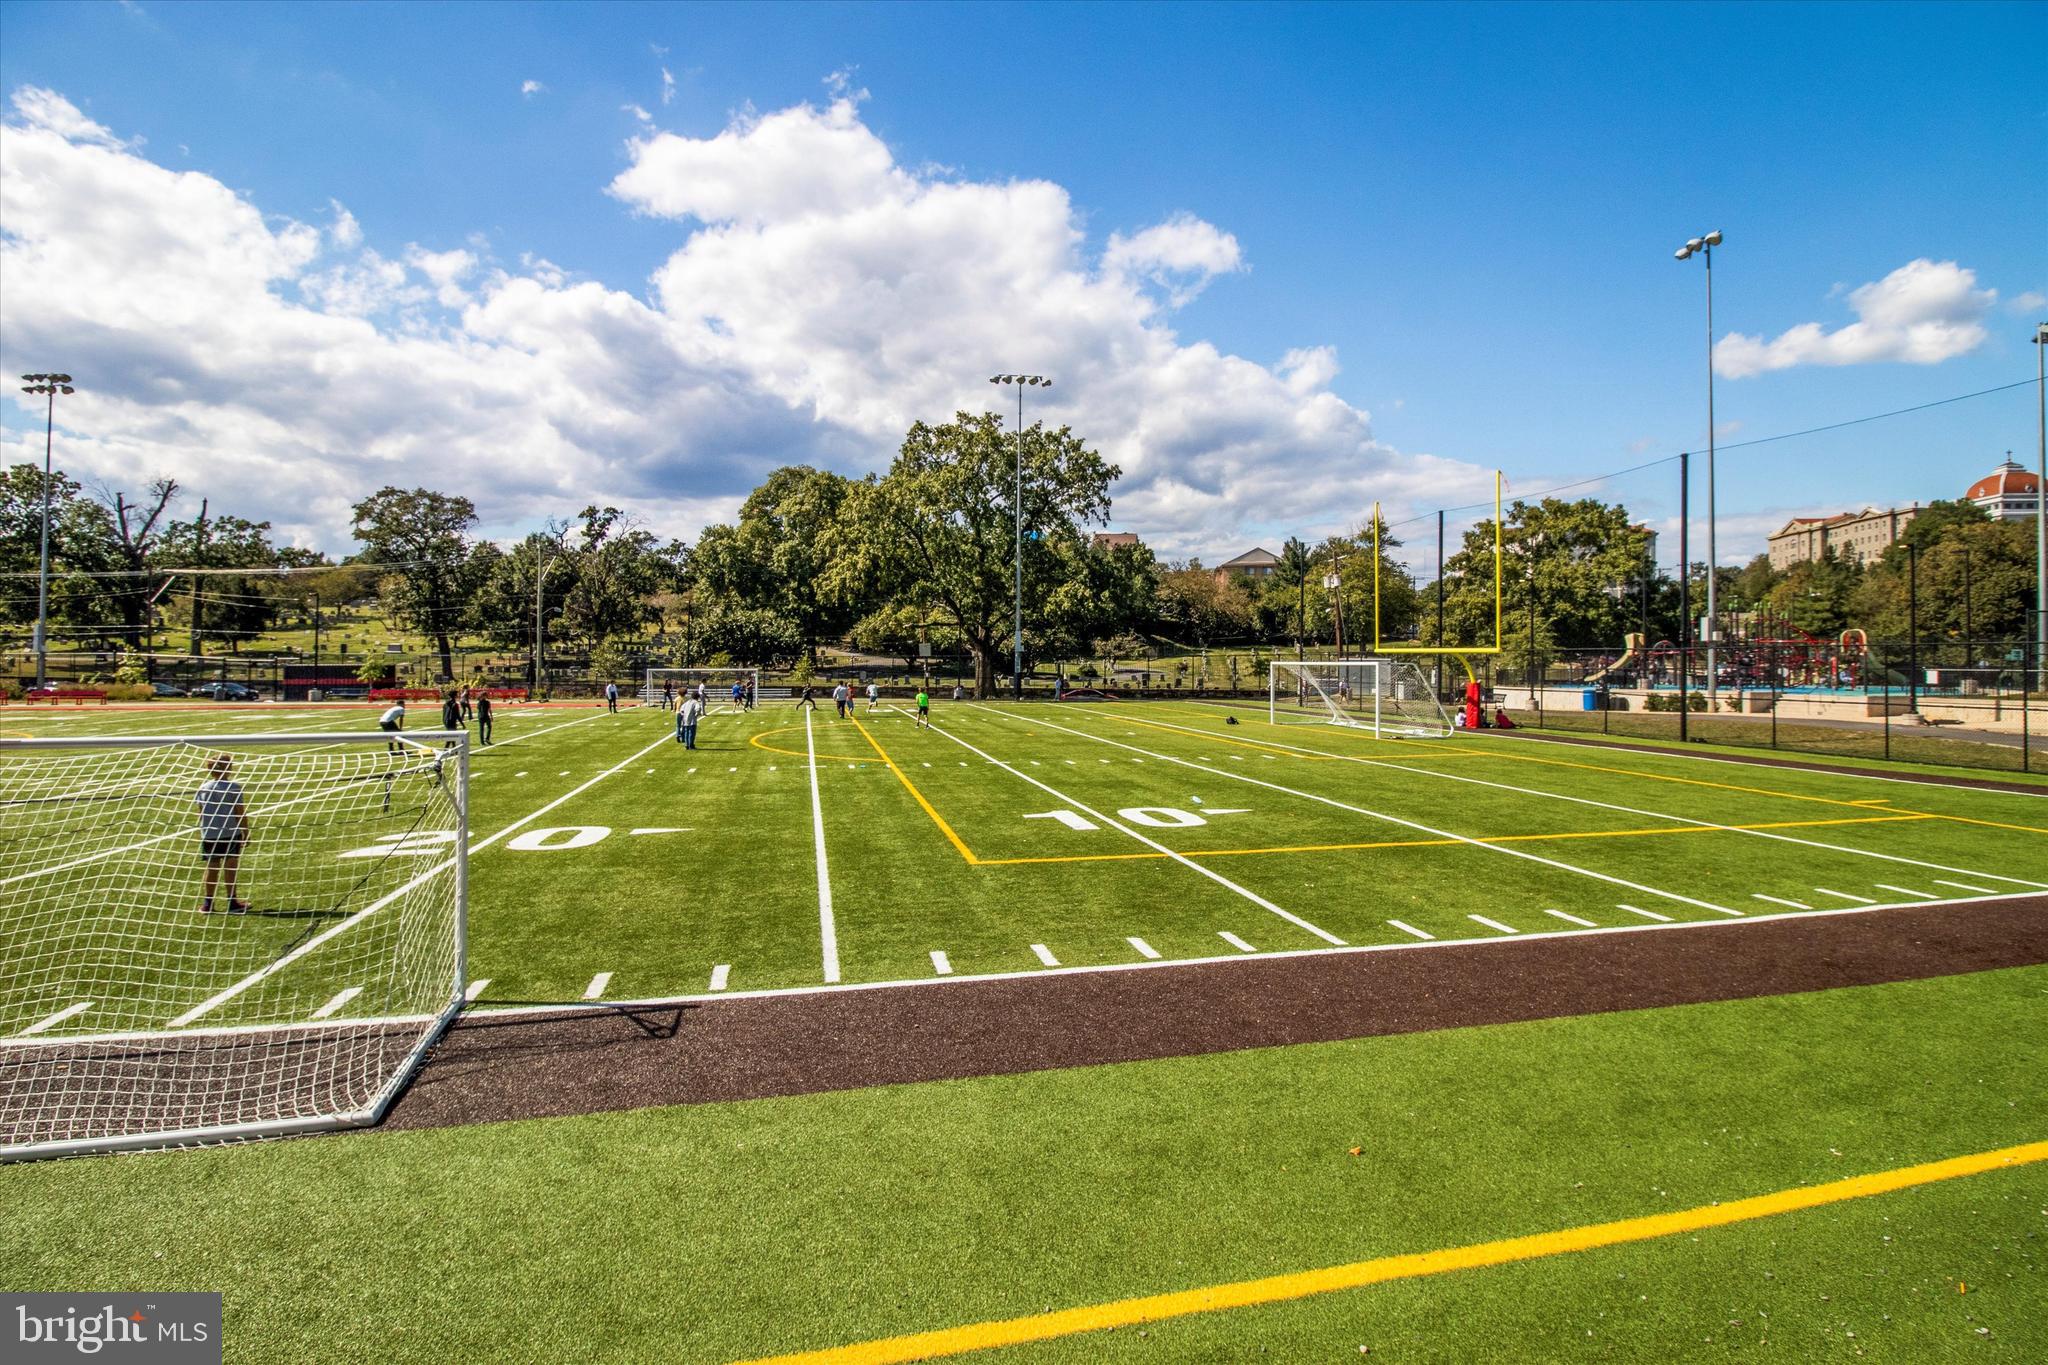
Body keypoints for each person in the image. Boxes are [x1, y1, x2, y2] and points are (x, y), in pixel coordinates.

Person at [196, 754, 250, 914]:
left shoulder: (203, 787)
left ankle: (208, 904)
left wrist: (205, 830)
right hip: (229, 832)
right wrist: (245, 831)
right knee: (230, 866)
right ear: (228, 769)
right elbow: (239, 812)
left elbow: (201, 812)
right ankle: (232, 902)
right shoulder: (233, 787)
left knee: (212, 867)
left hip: (210, 834)